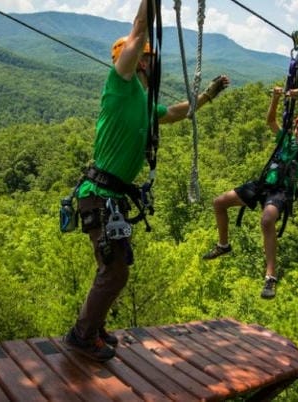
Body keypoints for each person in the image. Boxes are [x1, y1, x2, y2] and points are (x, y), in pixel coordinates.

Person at [64, 0, 229, 362]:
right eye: (150, 57)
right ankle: (81, 335)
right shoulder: (121, 85)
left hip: (111, 199)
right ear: (139, 60)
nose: (155, 62)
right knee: (115, 271)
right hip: (100, 195)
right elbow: (139, 32)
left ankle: (91, 324)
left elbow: (174, 112)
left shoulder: (143, 98)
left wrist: (208, 96)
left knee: (115, 266)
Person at [202, 86, 298, 299]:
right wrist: (276, 98)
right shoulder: (287, 140)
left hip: (282, 190)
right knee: (219, 202)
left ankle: (270, 277)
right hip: (263, 184)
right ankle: (223, 245)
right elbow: (270, 121)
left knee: (267, 220)